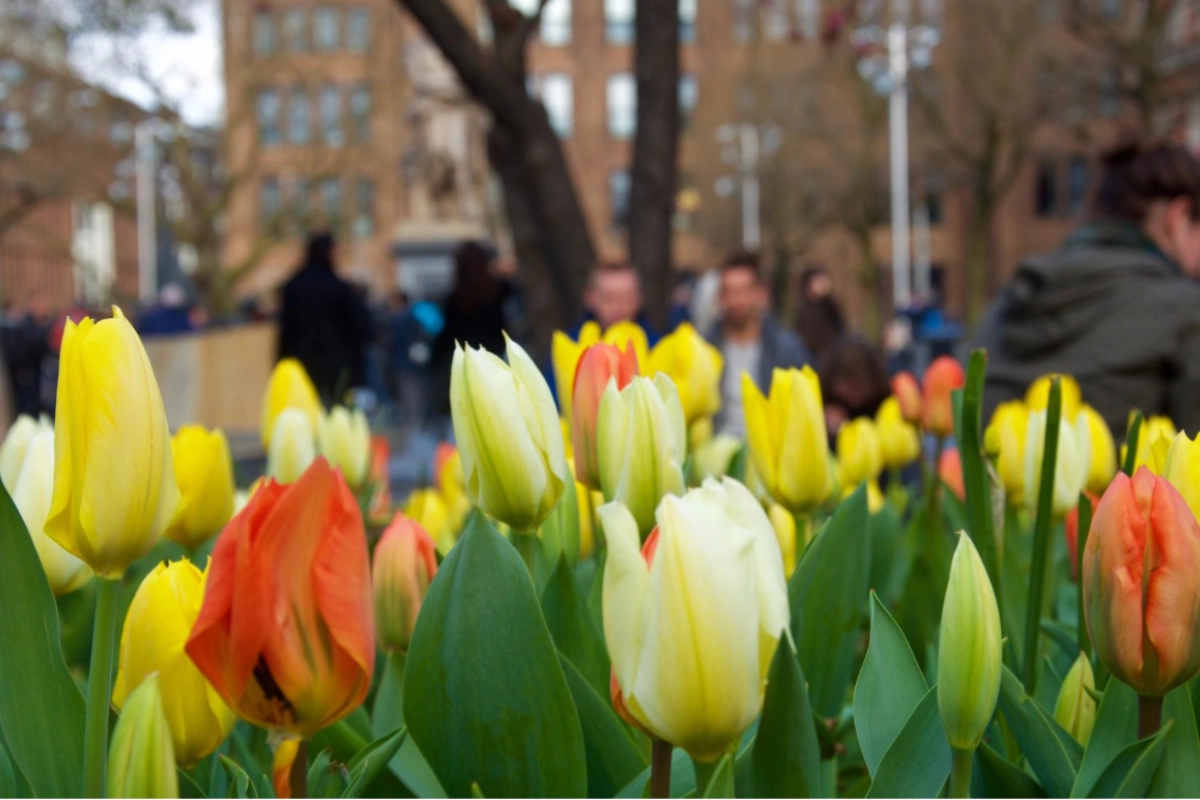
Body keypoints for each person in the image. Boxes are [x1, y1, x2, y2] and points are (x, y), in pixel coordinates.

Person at [975, 137, 1200, 434]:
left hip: (991, 480)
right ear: (1179, 218)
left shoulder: (1006, 302)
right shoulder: (1187, 310)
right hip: (1119, 478)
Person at [707, 252, 812, 437]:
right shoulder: (705, 348)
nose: (737, 300)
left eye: (744, 291)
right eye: (730, 291)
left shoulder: (786, 347)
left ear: (761, 294)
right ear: (720, 297)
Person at [277, 232, 374, 406]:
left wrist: (281, 363)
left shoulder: (294, 287)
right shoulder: (339, 288)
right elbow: (362, 327)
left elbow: (286, 330)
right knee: (337, 413)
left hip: (303, 362)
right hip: (337, 364)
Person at [427, 241, 515, 421]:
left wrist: (432, 358)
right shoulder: (501, 290)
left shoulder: (457, 298)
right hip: (498, 360)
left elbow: (447, 335)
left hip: (469, 366)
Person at [818, 337, 892, 435]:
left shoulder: (884, 398)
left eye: (859, 387)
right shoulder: (822, 393)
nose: (854, 395)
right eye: (849, 386)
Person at [795, 266, 845, 363]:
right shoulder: (804, 308)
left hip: (830, 354)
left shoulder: (830, 305)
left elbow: (840, 327)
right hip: (810, 354)